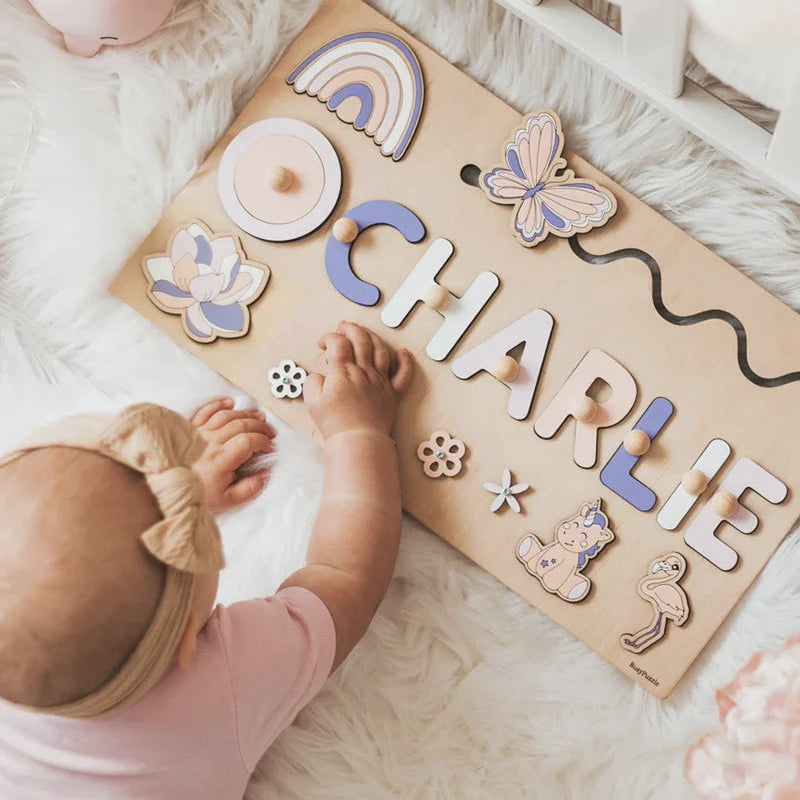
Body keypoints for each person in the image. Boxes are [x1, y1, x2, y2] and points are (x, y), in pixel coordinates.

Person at [0, 320, 413, 799]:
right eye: (190, 534)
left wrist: (183, 492)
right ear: (187, 643)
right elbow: (347, 577)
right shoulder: (220, 687)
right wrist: (357, 430)